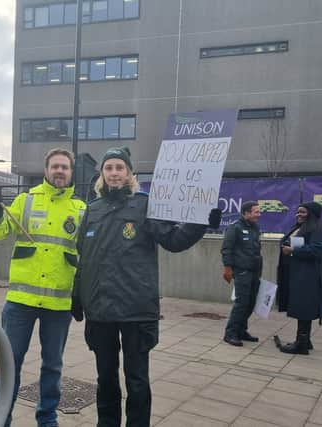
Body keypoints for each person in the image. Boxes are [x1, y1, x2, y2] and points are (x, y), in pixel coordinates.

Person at [72, 147, 221, 427]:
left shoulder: (146, 205)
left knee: (137, 381)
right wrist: (77, 295)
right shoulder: (92, 210)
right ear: (101, 174)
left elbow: (174, 240)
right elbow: (85, 257)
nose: (114, 173)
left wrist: (199, 222)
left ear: (129, 173)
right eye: (109, 168)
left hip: (136, 311)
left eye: (120, 168)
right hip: (100, 311)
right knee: (105, 377)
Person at [0, 148, 86, 427]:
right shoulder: (25, 200)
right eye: (55, 166)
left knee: (52, 367)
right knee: (10, 363)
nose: (60, 171)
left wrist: (82, 293)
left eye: (65, 167)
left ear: (71, 171)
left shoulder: (80, 210)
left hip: (59, 304)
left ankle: (47, 418)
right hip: (20, 302)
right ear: (46, 170)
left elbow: (90, 254)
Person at [275, 202, 322, 355]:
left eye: (303, 212)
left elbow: (317, 250)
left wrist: (293, 250)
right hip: (298, 273)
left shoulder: (318, 228)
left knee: (304, 307)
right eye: (297, 212)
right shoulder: (301, 227)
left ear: (311, 213)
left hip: (309, 275)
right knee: (301, 306)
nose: (298, 214)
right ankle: (305, 340)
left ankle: (301, 345)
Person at [221, 201, 262, 347]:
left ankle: (241, 330)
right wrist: (227, 268)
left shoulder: (255, 227)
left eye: (259, 211)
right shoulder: (235, 228)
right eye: (256, 212)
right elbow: (227, 249)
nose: (259, 214)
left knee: (251, 302)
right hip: (242, 271)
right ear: (246, 213)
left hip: (255, 271)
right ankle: (230, 333)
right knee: (241, 303)